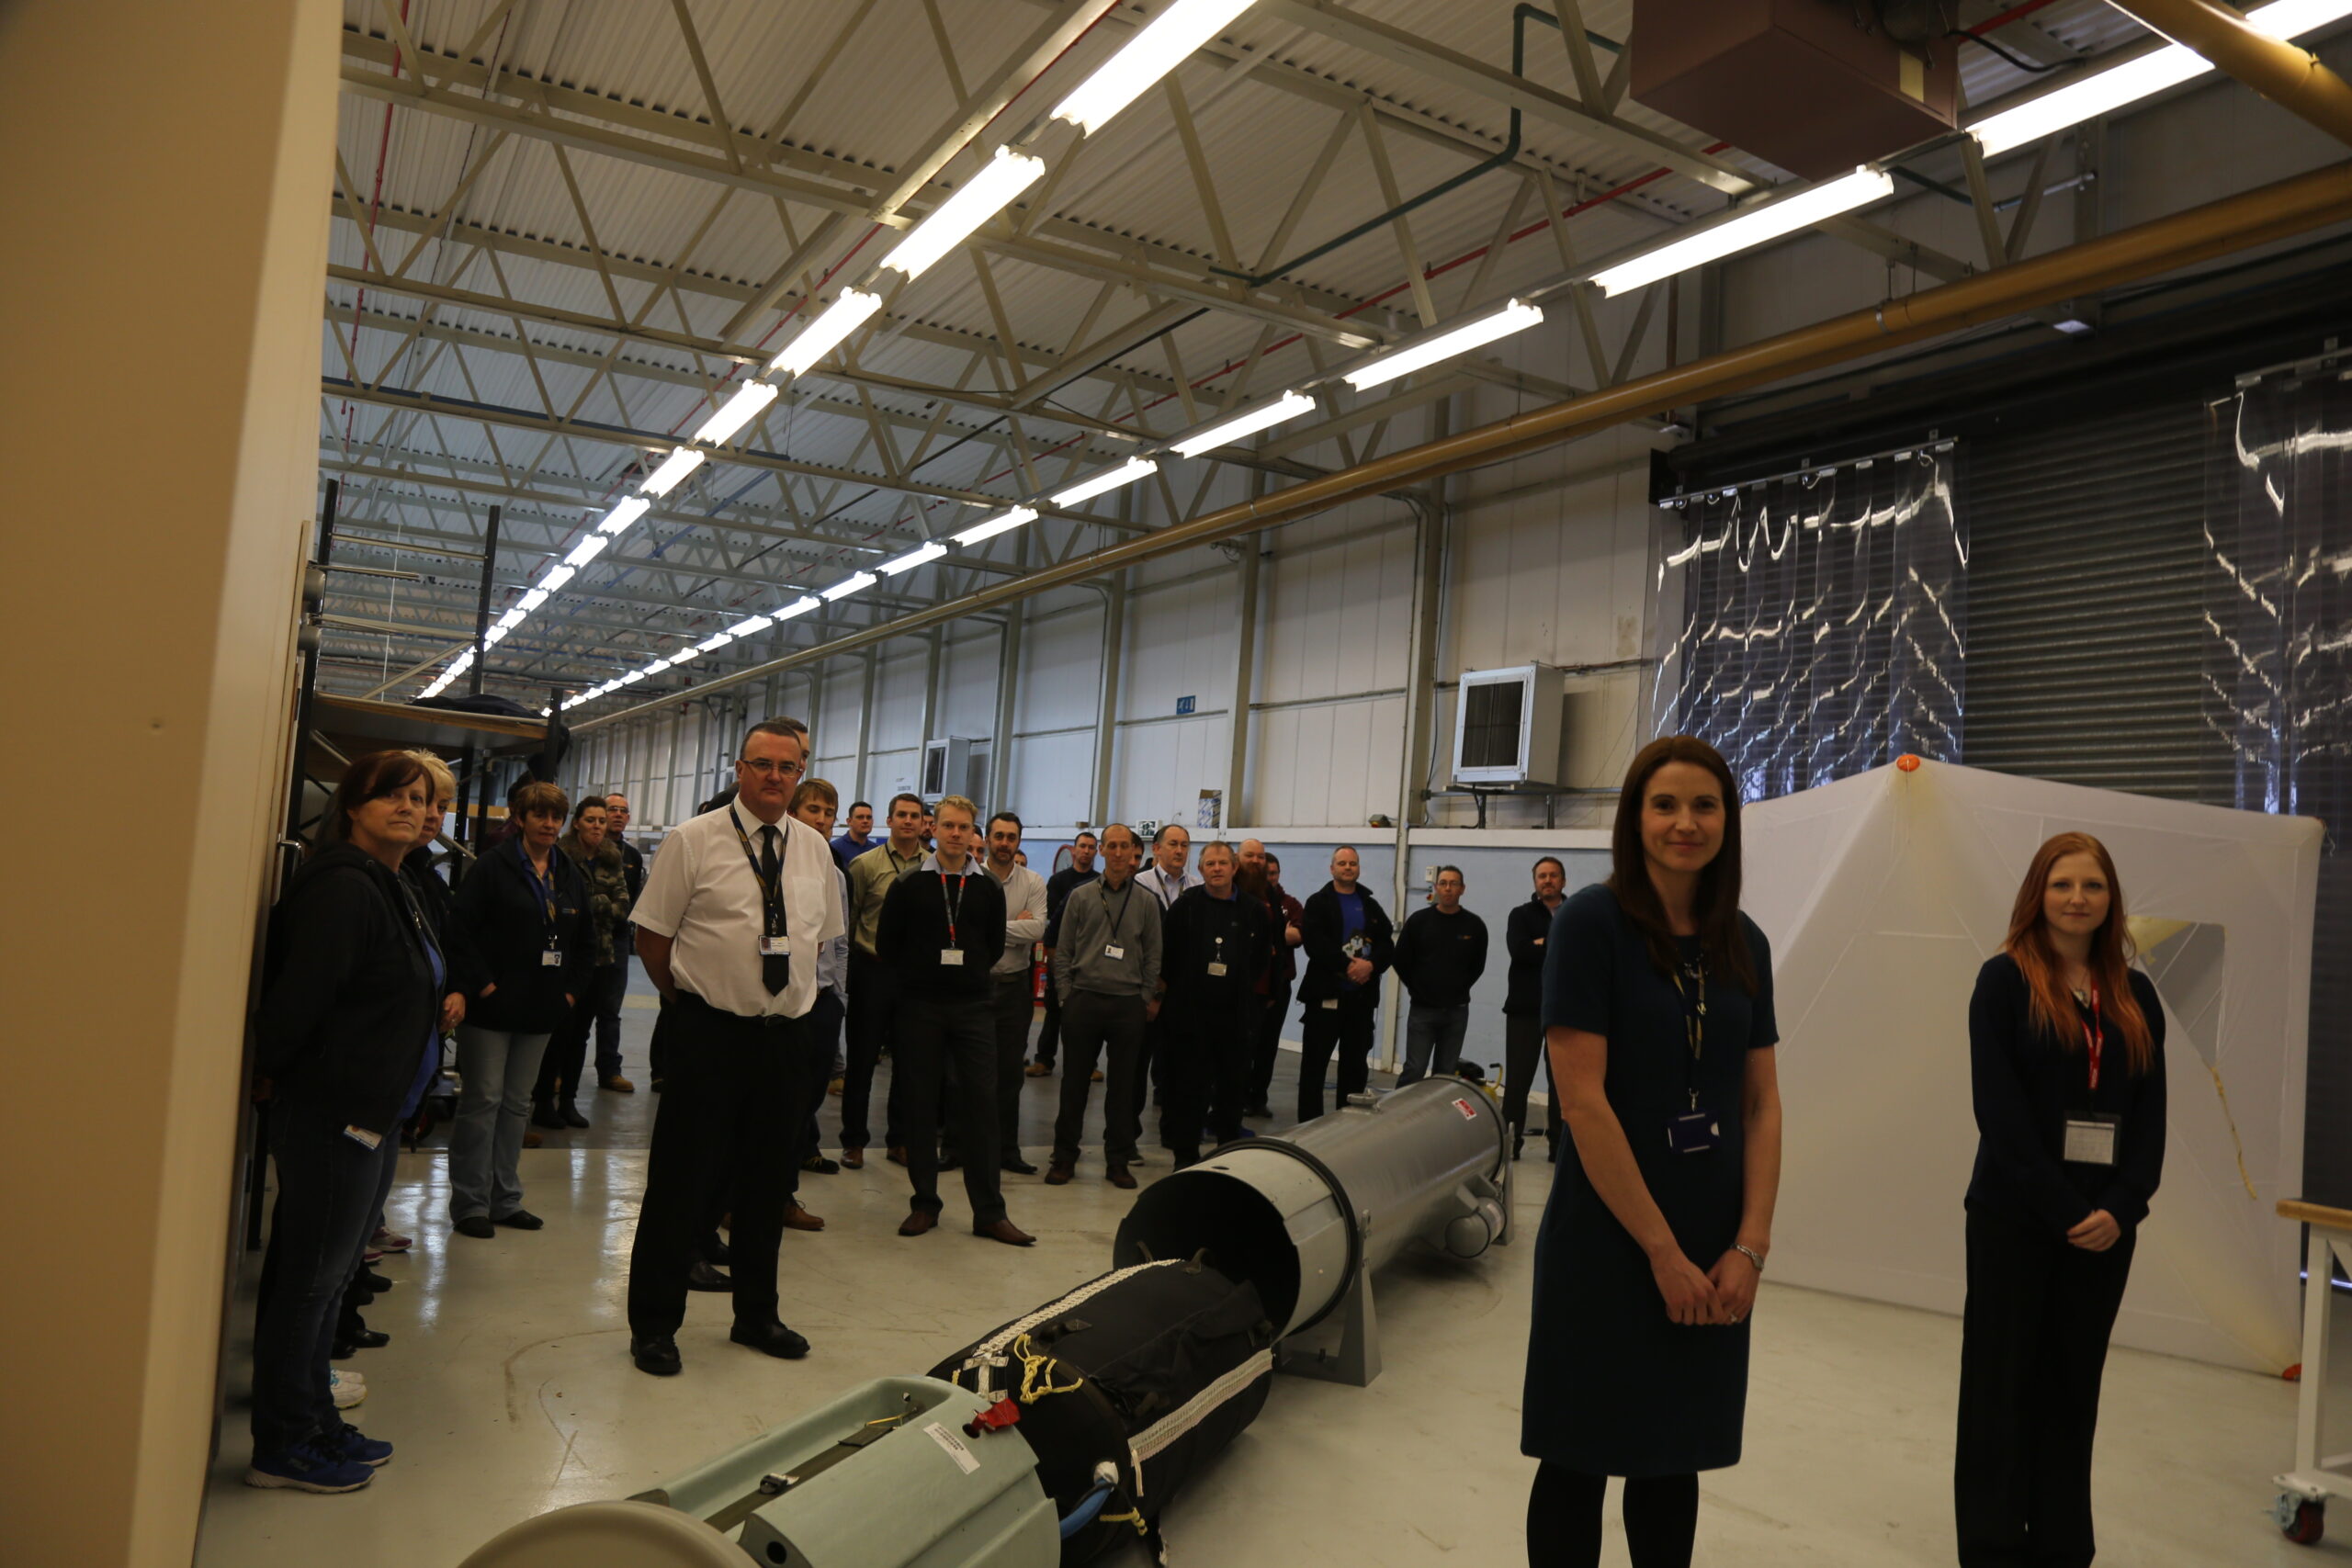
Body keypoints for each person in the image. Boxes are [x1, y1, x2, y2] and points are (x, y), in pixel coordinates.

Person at [1524, 736, 1781, 1568]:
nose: (1685, 822)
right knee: (1579, 1455)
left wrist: (1750, 1243)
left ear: (1727, 821)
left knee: (1674, 1455)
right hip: (1609, 1235)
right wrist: (1661, 1252)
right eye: (1664, 804)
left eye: (1705, 805)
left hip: (1712, 1240)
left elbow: (1760, 1102)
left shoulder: (1744, 941)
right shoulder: (1591, 925)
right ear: (1635, 819)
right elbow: (1581, 1101)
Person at [1955, 832, 2167, 1568]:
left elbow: (2150, 1118)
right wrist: (2065, 1208)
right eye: (2063, 884)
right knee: (2001, 1386)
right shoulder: (2003, 981)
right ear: (2037, 895)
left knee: (2073, 1388)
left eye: (2093, 885)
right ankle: (1991, 1545)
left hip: (2105, 1229)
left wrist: (2123, 1205)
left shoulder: (2136, 995)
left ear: (2112, 900)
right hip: (2015, 1218)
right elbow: (1999, 1113)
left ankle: (2061, 1545)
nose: (2078, 898)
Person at [248, 751, 448, 1492]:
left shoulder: (391, 882)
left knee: (330, 1283)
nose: (410, 807)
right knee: (310, 1283)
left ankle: (315, 1419)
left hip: (375, 1114)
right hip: (337, 1116)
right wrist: (273, 1073)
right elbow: (299, 1002)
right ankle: (284, 1444)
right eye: (391, 794)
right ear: (352, 805)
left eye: (419, 797)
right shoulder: (342, 887)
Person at [624, 720, 845, 1376]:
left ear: (800, 772)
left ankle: (756, 1314)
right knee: (681, 1180)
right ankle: (655, 1325)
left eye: (787, 766)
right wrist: (693, 1001)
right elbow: (652, 939)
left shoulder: (814, 850)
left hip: (786, 1038)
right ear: (740, 769)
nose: (775, 776)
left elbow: (817, 941)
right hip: (710, 1033)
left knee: (767, 1182)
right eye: (762, 764)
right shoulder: (693, 840)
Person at [875, 795, 1033, 1245]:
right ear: (934, 828)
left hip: (973, 1008)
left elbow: (994, 946)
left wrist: (965, 973)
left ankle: (990, 1212)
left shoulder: (987, 888)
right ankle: (925, 1203)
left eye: (964, 827)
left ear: (972, 833)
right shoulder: (908, 884)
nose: (957, 834)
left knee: (982, 1104)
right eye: (948, 825)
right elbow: (888, 945)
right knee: (921, 1105)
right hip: (920, 1007)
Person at [447, 781, 591, 1239]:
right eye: (539, 816)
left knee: (516, 1105)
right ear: (520, 818)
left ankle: (505, 1199)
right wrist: (484, 985)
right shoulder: (492, 867)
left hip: (541, 1009)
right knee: (483, 1100)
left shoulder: (568, 873)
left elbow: (587, 942)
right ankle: (470, 1203)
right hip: (492, 1008)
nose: (549, 824)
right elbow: (459, 931)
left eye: (556, 817)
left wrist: (569, 994)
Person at [1046, 824, 1161, 1189]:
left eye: (1124, 846)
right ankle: (1064, 1157)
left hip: (1127, 1005)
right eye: (1111, 845)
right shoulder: (1080, 896)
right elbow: (1063, 950)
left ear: (1133, 853)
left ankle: (1118, 1160)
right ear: (1102, 850)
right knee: (1074, 1085)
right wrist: (1066, 996)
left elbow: (1153, 954)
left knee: (1123, 1088)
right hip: (1083, 1000)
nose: (1117, 852)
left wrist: (1143, 997)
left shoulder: (1146, 901)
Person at [1159, 841, 1267, 1165]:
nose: (1217, 869)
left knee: (1232, 1094)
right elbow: (1168, 955)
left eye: (1223, 863)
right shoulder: (1186, 906)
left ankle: (1227, 1160)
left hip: (1234, 1017)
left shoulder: (1253, 910)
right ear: (1201, 869)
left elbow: (1261, 959)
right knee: (1189, 1093)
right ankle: (1185, 1159)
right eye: (1210, 864)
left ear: (1234, 867)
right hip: (1191, 1016)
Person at [533, 796, 631, 1130]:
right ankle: (543, 1101)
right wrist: (597, 906)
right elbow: (558, 906)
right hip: (563, 959)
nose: (597, 826)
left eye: (602, 821)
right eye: (591, 820)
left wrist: (588, 906)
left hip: (599, 959)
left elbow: (623, 908)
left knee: (580, 1036)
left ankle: (569, 1101)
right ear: (576, 823)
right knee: (557, 1033)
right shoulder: (561, 857)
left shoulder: (612, 859)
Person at [842, 793, 927, 1168]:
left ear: (923, 823)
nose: (908, 821)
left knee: (908, 1062)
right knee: (862, 1060)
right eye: (901, 815)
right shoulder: (864, 865)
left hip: (913, 976)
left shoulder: (933, 866)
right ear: (889, 821)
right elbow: (850, 920)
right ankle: (853, 1142)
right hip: (872, 971)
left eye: (915, 815)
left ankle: (899, 1141)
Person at [782, 777, 852, 1234]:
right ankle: (740, 1196)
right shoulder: (779, 865)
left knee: (807, 1103)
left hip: (824, 1003)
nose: (822, 820)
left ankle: (783, 1194)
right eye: (814, 810)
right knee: (777, 1107)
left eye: (829, 813)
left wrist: (838, 997)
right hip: (788, 1003)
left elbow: (840, 943)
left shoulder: (836, 875)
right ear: (793, 812)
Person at [1295, 846, 1394, 1122]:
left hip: (1360, 1000)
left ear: (1358, 868)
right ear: (1332, 869)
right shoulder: (1318, 902)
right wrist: (1348, 966)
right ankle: (1310, 1125)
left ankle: (1347, 1124)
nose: (1348, 867)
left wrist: (1370, 966)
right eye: (1342, 863)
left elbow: (1386, 944)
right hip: (1325, 996)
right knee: (1314, 1066)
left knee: (1354, 1067)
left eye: (1353, 863)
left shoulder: (1370, 905)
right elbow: (1315, 944)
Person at [982, 811, 1048, 1175]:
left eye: (1011, 837)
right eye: (999, 836)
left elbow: (1037, 929)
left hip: (1014, 989)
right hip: (976, 988)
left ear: (1018, 842)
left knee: (1010, 1074)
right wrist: (1012, 926)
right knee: (964, 1073)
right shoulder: (971, 877)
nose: (1005, 843)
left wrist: (990, 929)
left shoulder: (1033, 881)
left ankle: (1007, 1151)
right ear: (988, 839)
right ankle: (959, 1147)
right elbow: (965, 930)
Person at [1393, 866, 1488, 1086]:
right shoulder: (1419, 921)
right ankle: (1401, 1108)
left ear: (1462, 889)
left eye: (1454, 884)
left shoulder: (1474, 925)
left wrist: (1459, 989)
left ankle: (1436, 1110)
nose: (1448, 888)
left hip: (1457, 1011)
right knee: (1415, 1068)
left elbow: (1477, 966)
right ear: (1436, 887)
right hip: (1423, 1010)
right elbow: (1400, 959)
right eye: (1443, 883)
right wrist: (1417, 989)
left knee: (1445, 1073)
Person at [1132, 824, 1200, 1127]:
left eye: (1184, 845)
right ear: (1156, 849)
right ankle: (1128, 1132)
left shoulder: (1197, 888)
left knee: (1179, 1064)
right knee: (1137, 1063)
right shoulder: (1140, 884)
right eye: (1173, 844)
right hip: (1145, 986)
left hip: (1181, 988)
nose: (1179, 850)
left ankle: (1174, 1129)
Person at [1503, 857, 1569, 1161]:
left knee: (1561, 1084)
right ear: (1535, 882)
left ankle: (1559, 1148)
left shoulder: (1575, 914)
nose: (1547, 880)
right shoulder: (1520, 915)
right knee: (1517, 1082)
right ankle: (1510, 1146)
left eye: (1553, 875)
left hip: (1564, 1011)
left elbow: (1579, 955)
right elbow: (1520, 951)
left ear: (1563, 881)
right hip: (1525, 1010)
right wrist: (1554, 946)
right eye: (1542, 876)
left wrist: (1542, 943)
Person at [1028, 831, 1101, 1077]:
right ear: (1074, 850)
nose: (1086, 851)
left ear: (1096, 851)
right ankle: (1044, 1060)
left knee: (1087, 1017)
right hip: (1061, 955)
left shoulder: (1099, 881)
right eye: (1083, 846)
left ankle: (1088, 1065)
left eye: (1091, 847)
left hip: (1089, 959)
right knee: (1054, 1011)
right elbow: (1054, 919)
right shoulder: (1058, 881)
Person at [1239, 844, 1303, 1120]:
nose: (1270, 876)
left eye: (1274, 872)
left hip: (1276, 984)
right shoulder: (1241, 896)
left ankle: (1258, 1098)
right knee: (1243, 1046)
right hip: (1246, 986)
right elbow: (1273, 936)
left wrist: (1276, 936)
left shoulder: (1287, 904)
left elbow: (1296, 936)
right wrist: (1276, 935)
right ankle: (1238, 1099)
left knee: (1268, 1045)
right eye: (1267, 872)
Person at [595, 792, 643, 1093]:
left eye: (622, 811)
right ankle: (557, 1071)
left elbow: (633, 899)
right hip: (588, 938)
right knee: (574, 1011)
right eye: (611, 809)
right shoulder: (585, 849)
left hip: (618, 938)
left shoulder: (633, 858)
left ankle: (609, 1071)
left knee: (611, 1010)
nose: (617, 815)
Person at [831, 800, 876, 871]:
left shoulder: (876, 850)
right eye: (860, 817)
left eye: (869, 817)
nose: (865, 821)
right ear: (849, 821)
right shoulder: (835, 849)